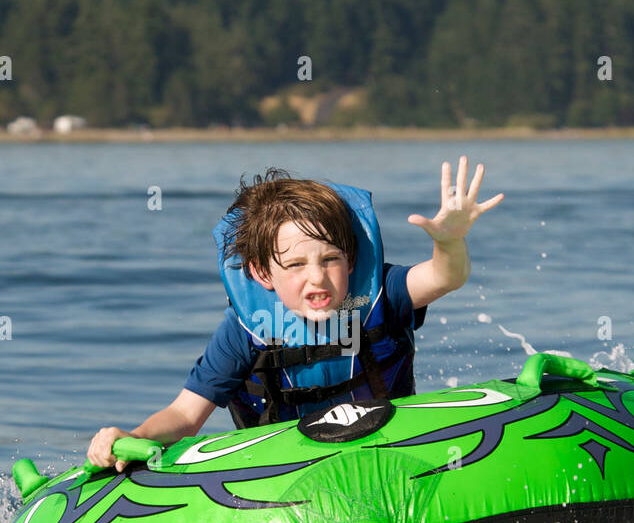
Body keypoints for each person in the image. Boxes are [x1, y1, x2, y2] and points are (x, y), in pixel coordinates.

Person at [86, 155, 503, 472]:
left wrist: (449, 242)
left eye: (330, 259)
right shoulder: (243, 334)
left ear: (352, 260)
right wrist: (134, 436)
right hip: (284, 478)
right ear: (262, 272)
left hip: (390, 459)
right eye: (296, 265)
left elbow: (445, 277)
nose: (317, 278)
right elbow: (183, 415)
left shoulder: (381, 296)